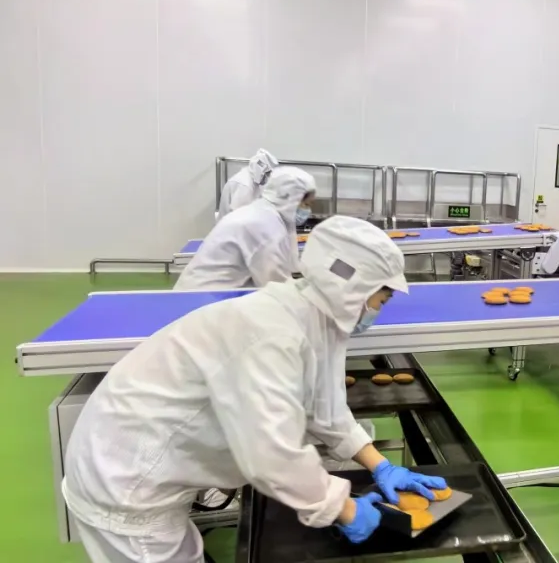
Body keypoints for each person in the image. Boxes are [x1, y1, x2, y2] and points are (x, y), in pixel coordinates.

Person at [62, 216, 446, 563]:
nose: (380, 308)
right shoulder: (271, 334)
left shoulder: (319, 321)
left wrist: (381, 465)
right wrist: (343, 509)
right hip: (126, 481)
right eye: (383, 297)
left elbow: (325, 410)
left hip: (148, 464)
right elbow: (271, 455)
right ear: (356, 288)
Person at [176, 166, 316, 291]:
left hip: (203, 293)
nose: (308, 210)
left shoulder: (263, 212)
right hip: (204, 299)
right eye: (306, 204)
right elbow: (275, 287)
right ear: (290, 197)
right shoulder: (264, 225)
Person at [218, 148, 279, 219]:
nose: (268, 177)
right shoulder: (244, 185)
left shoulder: (255, 180)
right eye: (267, 173)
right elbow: (240, 217)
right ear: (260, 171)